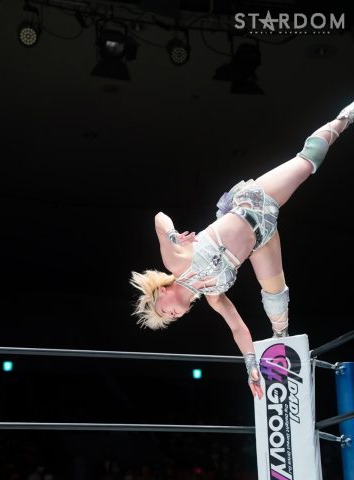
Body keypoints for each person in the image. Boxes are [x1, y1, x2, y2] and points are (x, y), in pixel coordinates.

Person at [130, 101, 354, 398]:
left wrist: (172, 235)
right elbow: (237, 327)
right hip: (262, 241)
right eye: (169, 319)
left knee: (308, 160)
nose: (170, 315)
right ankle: (281, 347)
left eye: (163, 310)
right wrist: (251, 365)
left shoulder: (177, 262)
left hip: (253, 204)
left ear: (162, 291)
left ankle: (345, 117)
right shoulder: (213, 297)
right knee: (277, 303)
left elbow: (159, 218)